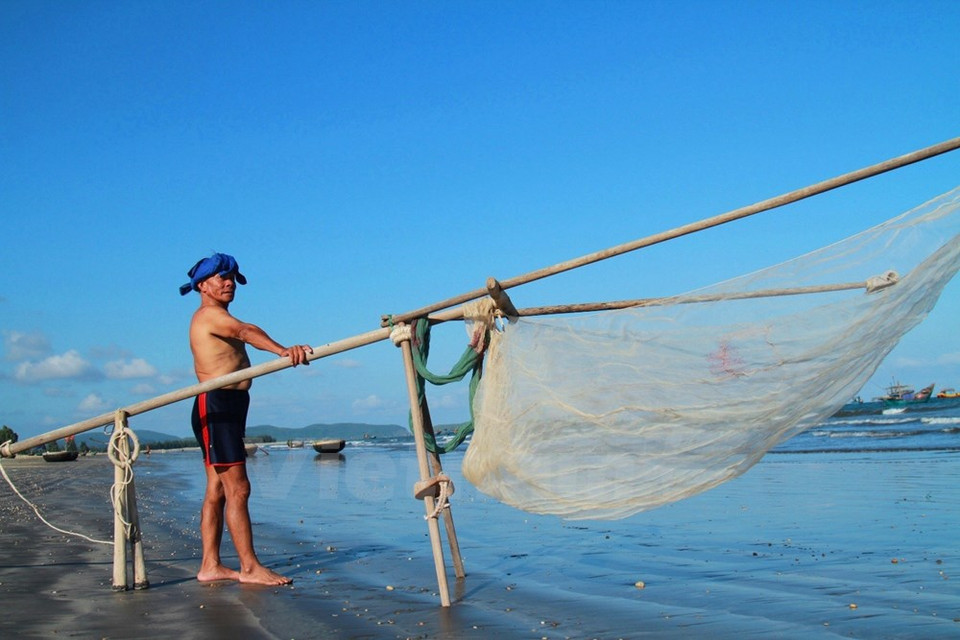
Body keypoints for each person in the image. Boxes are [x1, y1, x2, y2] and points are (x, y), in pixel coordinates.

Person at [180, 252, 313, 585]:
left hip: (230, 405)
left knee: (218, 489)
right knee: (238, 489)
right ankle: (250, 568)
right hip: (217, 405)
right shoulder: (208, 316)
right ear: (202, 285)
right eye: (222, 277)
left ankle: (210, 565)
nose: (228, 283)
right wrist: (283, 350)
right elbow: (243, 330)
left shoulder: (215, 315)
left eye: (233, 278)